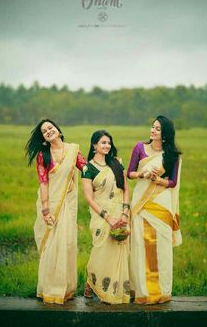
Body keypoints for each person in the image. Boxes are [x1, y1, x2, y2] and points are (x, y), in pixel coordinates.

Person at [25, 119, 86, 304]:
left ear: (58, 130)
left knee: (67, 244)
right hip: (50, 204)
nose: (49, 131)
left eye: (50, 127)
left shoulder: (73, 150)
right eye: (44, 131)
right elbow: (43, 182)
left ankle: (65, 289)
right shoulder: (44, 155)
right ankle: (50, 289)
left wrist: (107, 170)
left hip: (68, 203)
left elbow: (84, 167)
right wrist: (45, 209)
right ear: (44, 138)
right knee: (51, 246)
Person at [127, 115, 182, 304]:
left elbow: (172, 182)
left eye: (157, 129)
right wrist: (143, 173)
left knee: (162, 250)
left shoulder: (171, 155)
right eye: (152, 127)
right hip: (141, 205)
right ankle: (143, 292)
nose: (152, 130)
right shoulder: (139, 148)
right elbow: (130, 173)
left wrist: (158, 180)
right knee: (141, 247)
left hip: (161, 204)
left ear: (165, 134)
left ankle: (162, 292)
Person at [81, 130, 130, 304]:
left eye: (109, 142)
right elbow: (89, 198)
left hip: (120, 214)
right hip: (101, 215)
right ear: (94, 145)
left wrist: (125, 213)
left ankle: (113, 291)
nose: (107, 145)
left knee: (116, 251)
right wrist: (107, 217)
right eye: (103, 142)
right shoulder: (88, 168)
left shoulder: (116, 163)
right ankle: (91, 282)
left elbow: (125, 189)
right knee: (100, 250)